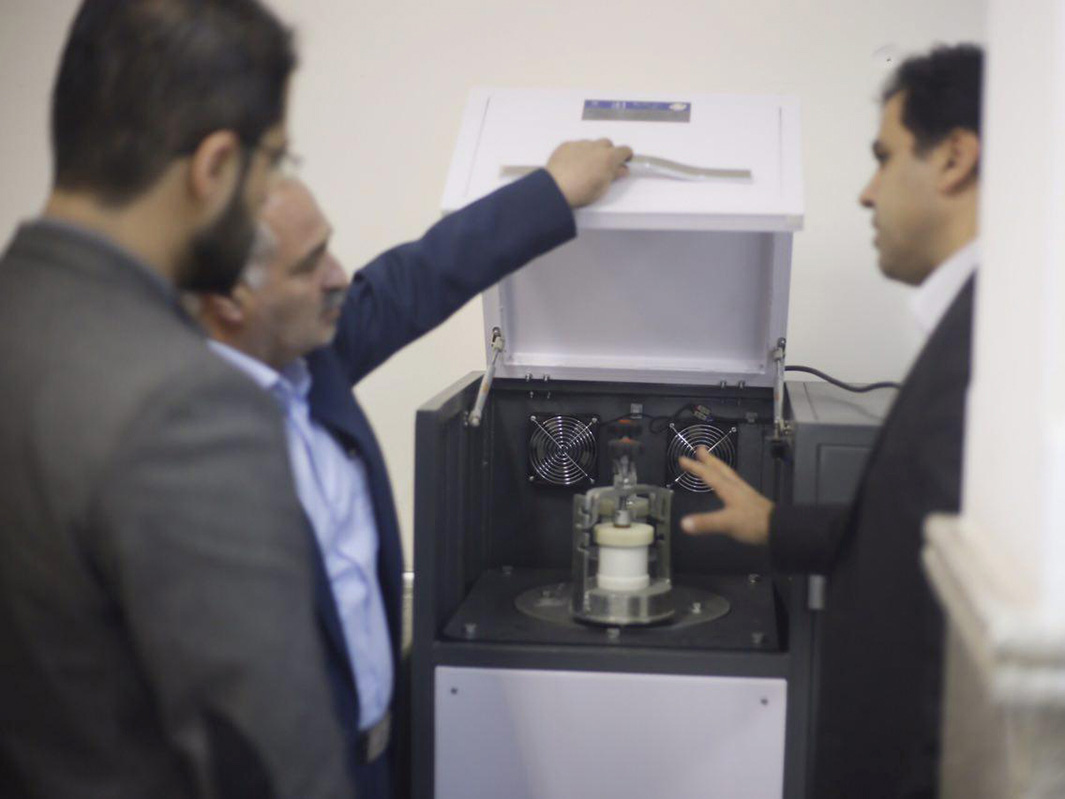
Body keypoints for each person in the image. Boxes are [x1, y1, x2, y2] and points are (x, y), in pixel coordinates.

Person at [188, 143, 631, 799]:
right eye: (309, 264)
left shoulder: (308, 354)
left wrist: (553, 189)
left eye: (329, 249)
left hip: (371, 763)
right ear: (231, 300)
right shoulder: (177, 442)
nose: (339, 277)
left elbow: (419, 275)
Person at [0, 2, 353, 798]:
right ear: (215, 166)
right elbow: (275, 764)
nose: (272, 187)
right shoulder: (188, 408)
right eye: (274, 160)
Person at [678, 44, 984, 799]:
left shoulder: (995, 346)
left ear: (953, 158)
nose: (866, 193)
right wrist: (775, 524)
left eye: (884, 158)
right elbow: (914, 535)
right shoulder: (964, 325)